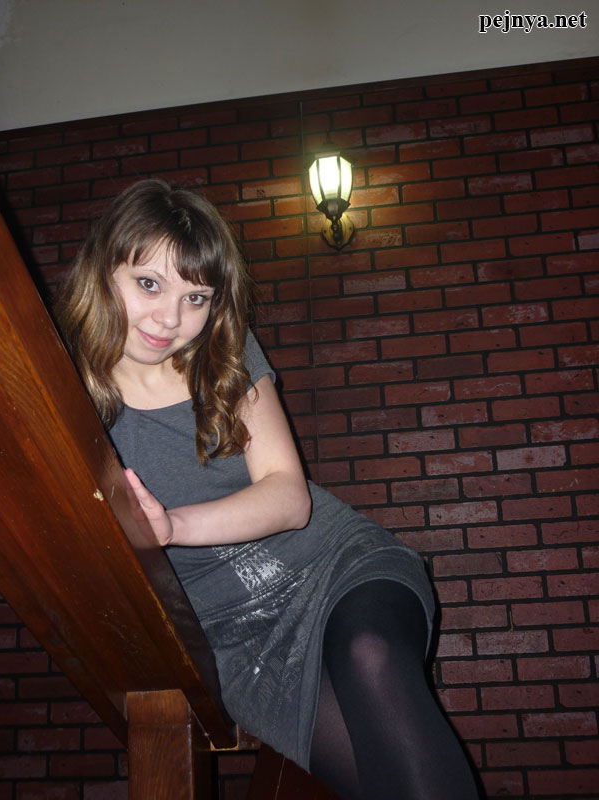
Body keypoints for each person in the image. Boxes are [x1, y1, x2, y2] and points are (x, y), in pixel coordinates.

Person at [56, 178, 479, 800]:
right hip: (234, 636)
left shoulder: (224, 355)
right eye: (149, 284)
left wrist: (174, 526)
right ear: (102, 270)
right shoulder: (59, 388)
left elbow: (289, 496)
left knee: (371, 654)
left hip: (335, 565)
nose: (170, 318)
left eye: (195, 297)